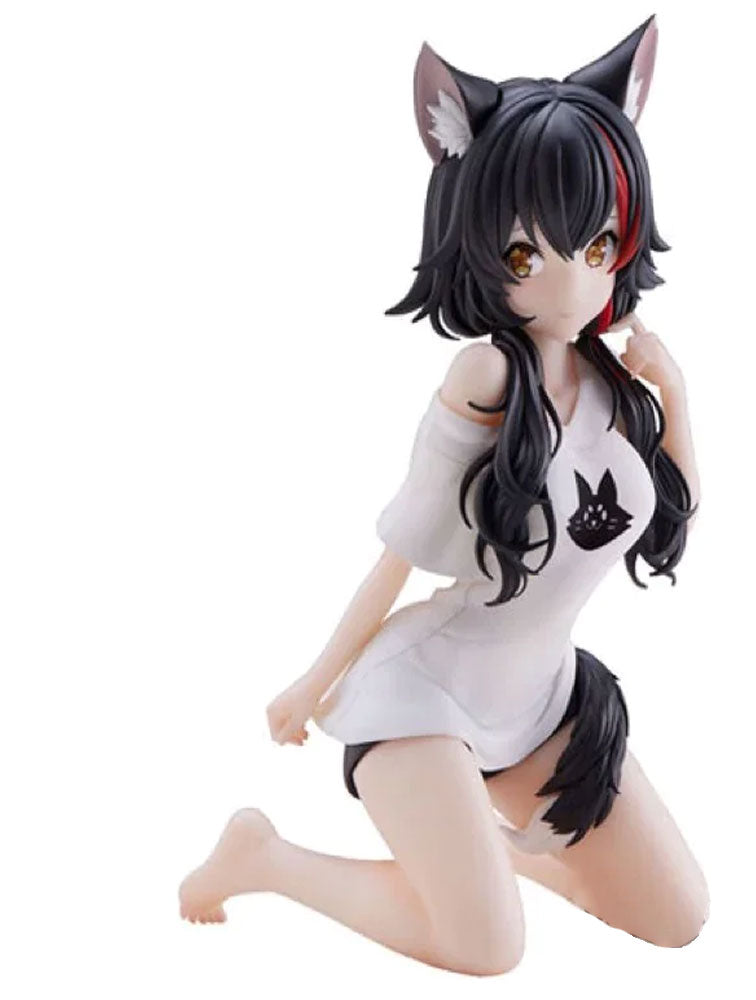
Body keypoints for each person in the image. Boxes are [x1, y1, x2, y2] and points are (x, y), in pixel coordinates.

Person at [179, 15, 709, 976]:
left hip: (545, 698)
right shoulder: (486, 379)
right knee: (486, 946)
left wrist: (676, 397)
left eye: (597, 244)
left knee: (677, 914)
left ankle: (497, 861)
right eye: (527, 257)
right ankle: (266, 859)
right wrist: (313, 682)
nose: (574, 282)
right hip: (423, 698)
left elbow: (673, 513)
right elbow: (401, 553)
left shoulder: (611, 384)